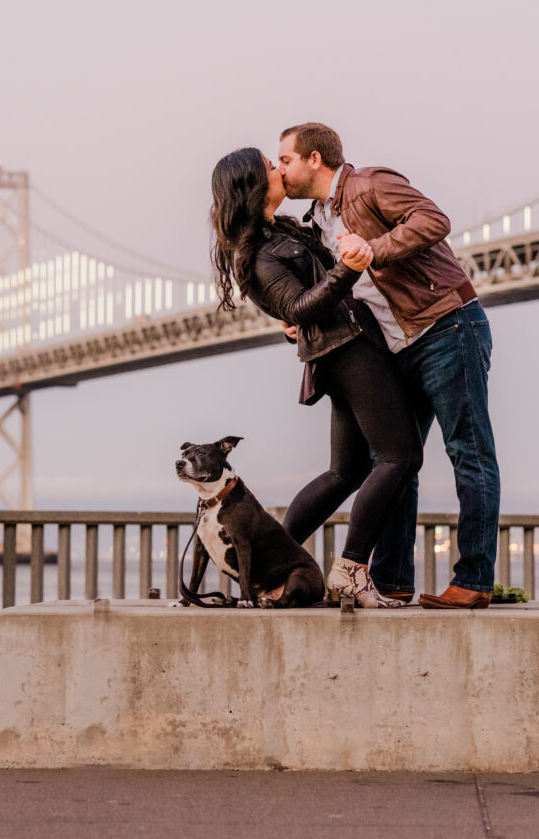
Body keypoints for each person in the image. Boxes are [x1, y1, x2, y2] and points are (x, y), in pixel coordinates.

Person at [276, 122, 500, 609]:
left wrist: (374, 249)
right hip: (398, 347)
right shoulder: (317, 221)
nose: (281, 170)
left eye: (286, 160)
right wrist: (296, 322)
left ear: (315, 159)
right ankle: (392, 577)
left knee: (469, 453)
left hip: (447, 327)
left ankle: (475, 580)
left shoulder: (369, 184)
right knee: (396, 461)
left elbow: (432, 219)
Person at [210, 147, 423, 608]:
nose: (279, 169)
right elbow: (299, 307)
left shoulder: (279, 231)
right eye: (270, 166)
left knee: (345, 472)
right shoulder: (259, 251)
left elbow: (296, 308)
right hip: (350, 349)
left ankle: (273, 565)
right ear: (251, 185)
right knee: (401, 456)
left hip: (338, 350)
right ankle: (350, 570)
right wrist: (350, 268)